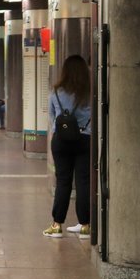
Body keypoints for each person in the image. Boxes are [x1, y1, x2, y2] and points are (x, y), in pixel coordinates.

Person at [43, 54, 92, 239]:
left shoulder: (56, 92)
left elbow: (52, 117)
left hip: (61, 141)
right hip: (84, 139)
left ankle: (57, 225)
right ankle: (85, 225)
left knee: (63, 181)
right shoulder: (90, 92)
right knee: (83, 181)